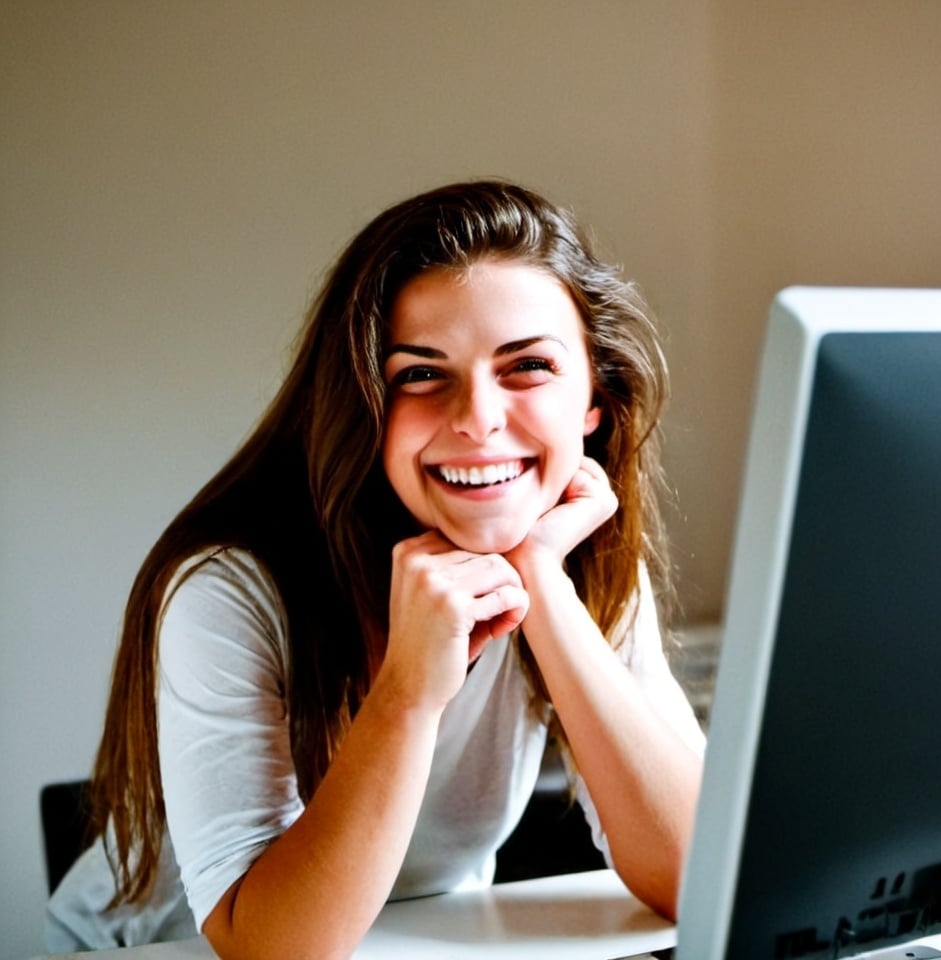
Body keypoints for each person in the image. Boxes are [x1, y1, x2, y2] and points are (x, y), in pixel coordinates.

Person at [44, 180, 705, 958]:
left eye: (526, 366)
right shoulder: (226, 588)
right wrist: (406, 695)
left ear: (594, 396)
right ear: (367, 402)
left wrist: (543, 585)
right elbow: (271, 948)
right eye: (422, 374)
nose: (478, 419)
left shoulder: (571, 556)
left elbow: (697, 875)